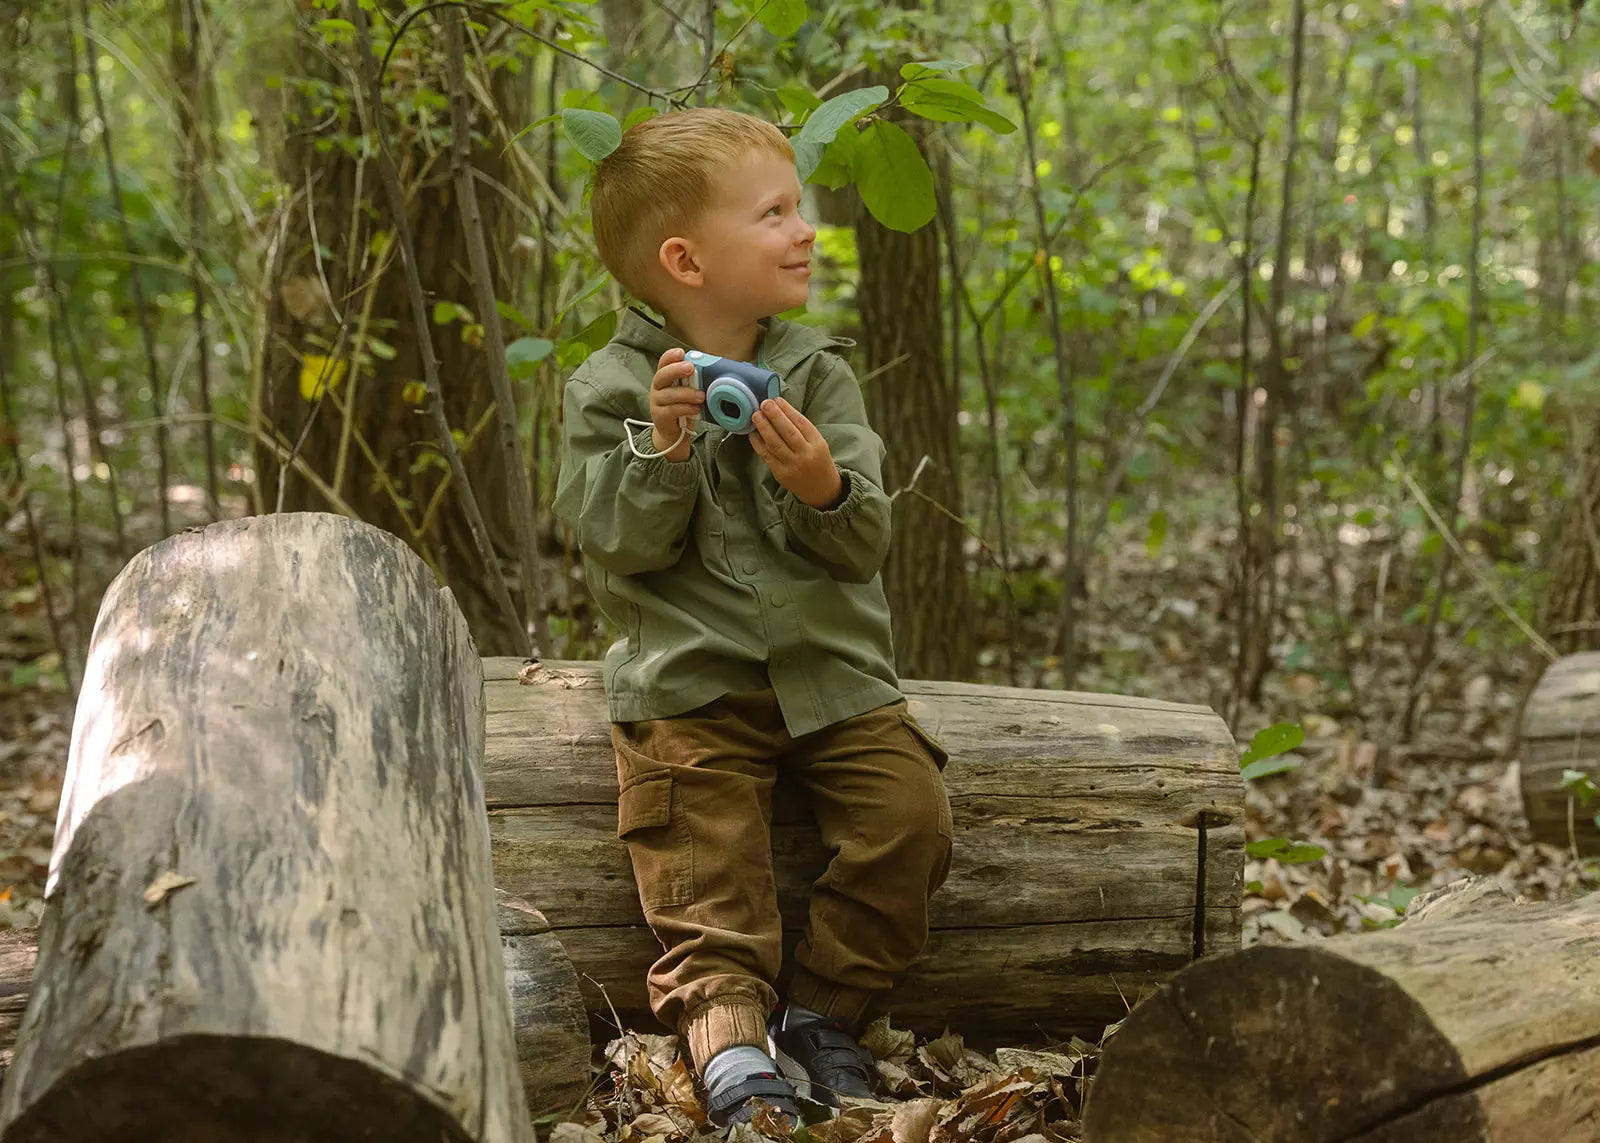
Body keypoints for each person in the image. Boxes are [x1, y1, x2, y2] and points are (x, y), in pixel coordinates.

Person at [553, 107, 953, 1130]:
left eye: (799, 208)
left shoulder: (818, 371)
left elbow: (861, 544)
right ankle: (728, 1036)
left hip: (832, 675)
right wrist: (666, 448)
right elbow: (615, 544)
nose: (804, 230)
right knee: (700, 859)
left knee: (908, 817)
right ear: (686, 260)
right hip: (688, 683)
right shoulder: (609, 389)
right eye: (773, 213)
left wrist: (820, 484)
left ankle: (826, 1016)